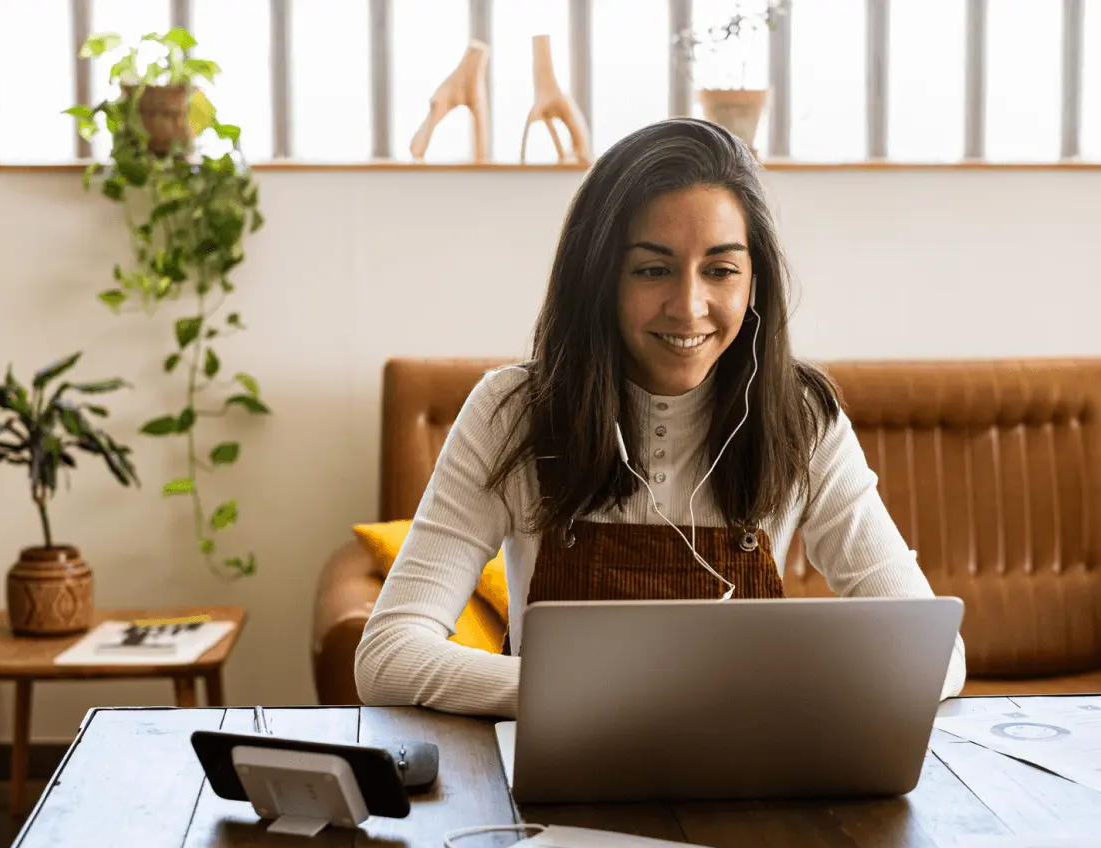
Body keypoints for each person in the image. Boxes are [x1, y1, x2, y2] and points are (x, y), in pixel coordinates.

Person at [354, 118, 966, 716]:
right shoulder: (510, 412)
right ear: (598, 277)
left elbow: (938, 655)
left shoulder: (801, 417)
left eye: (721, 270)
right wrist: (599, 698)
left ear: (755, 282)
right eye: (653, 269)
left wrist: (785, 696)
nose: (689, 306)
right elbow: (387, 655)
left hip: (742, 794)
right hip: (563, 789)